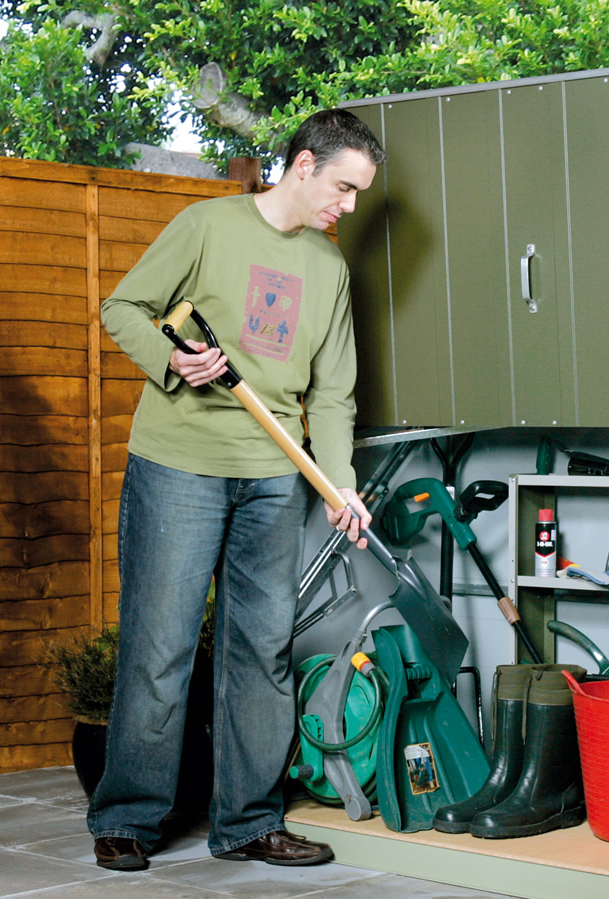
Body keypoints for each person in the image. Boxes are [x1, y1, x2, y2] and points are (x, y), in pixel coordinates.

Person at [87, 109, 386, 870]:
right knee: (161, 644)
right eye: (345, 188)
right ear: (305, 166)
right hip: (178, 465)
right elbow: (122, 307)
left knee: (262, 650)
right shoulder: (207, 226)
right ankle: (127, 815)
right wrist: (171, 359)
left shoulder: (329, 269)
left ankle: (249, 821)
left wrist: (337, 483)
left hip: (275, 479)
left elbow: (334, 395)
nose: (348, 207)